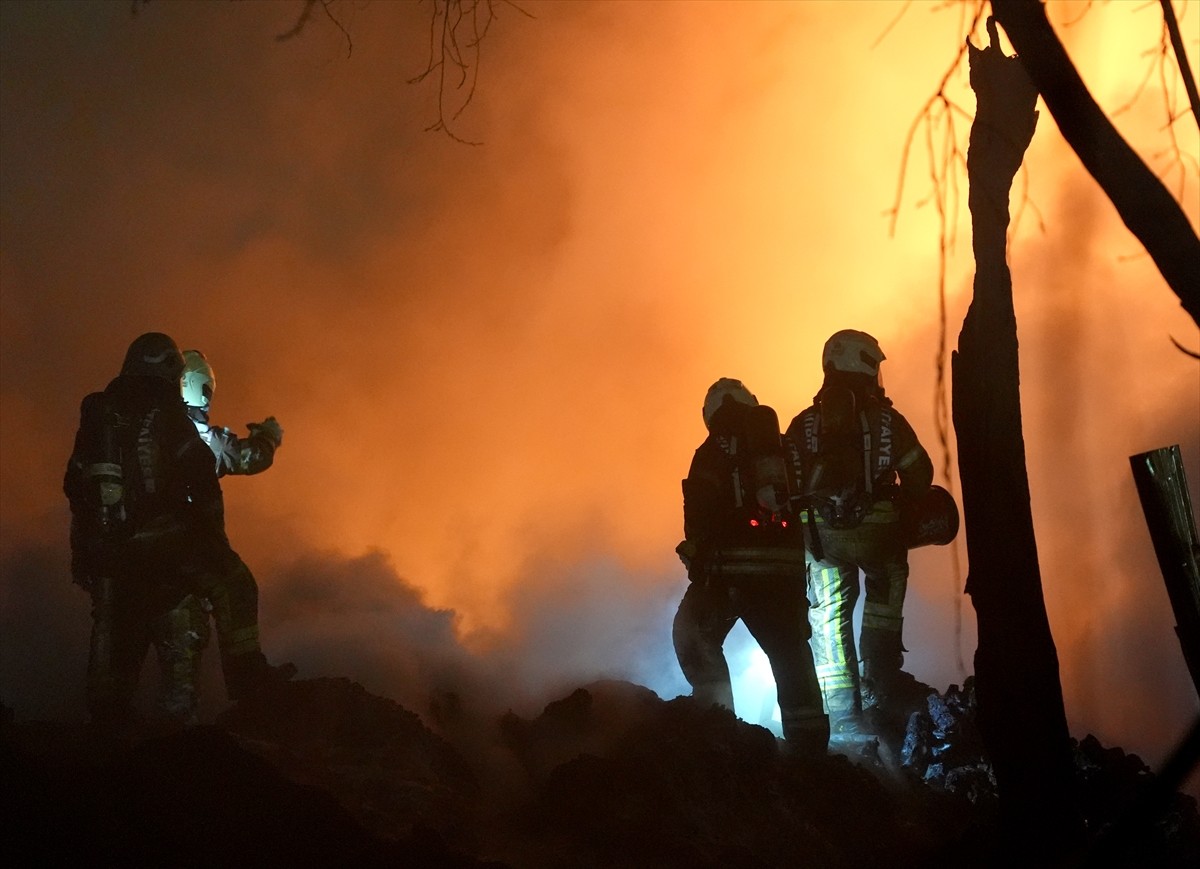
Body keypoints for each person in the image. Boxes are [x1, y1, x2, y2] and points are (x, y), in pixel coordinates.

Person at [64, 332, 227, 732]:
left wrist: (83, 552)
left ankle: (107, 764)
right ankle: (174, 765)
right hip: (168, 564)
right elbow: (203, 480)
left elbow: (75, 487)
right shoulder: (169, 413)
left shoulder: (99, 413)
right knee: (179, 680)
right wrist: (214, 551)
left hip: (110, 563)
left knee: (110, 679)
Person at [786, 330, 934, 737]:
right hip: (880, 533)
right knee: (885, 588)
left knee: (829, 616)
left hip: (821, 540)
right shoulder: (887, 419)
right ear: (863, 365)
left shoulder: (803, 423)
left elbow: (788, 483)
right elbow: (920, 475)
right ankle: (881, 681)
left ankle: (844, 716)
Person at [672, 378, 829, 754]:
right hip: (786, 574)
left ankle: (719, 721)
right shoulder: (787, 447)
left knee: (693, 633)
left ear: (710, 415)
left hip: (731, 573)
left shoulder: (713, 448)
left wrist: (699, 555)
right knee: (791, 656)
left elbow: (699, 515)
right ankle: (810, 749)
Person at [179, 349, 294, 700]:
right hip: (187, 549)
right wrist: (268, 437)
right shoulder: (196, 437)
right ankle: (248, 684)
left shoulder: (130, 430)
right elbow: (248, 458)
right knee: (238, 587)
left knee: (172, 638)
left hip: (135, 550)